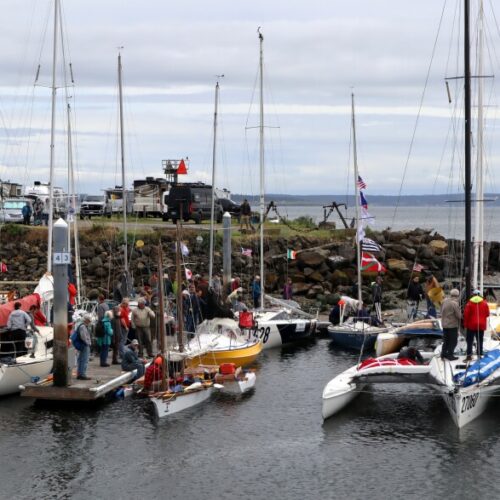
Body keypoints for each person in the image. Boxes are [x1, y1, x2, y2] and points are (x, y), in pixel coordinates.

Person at [463, 289, 490, 361]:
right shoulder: (484, 303)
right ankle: (479, 354)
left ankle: (469, 356)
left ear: (473, 295)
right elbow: (487, 314)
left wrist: (465, 325)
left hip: (471, 325)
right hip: (481, 325)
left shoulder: (469, 303)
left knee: (469, 341)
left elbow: (466, 315)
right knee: (480, 340)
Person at [440, 289, 461, 361]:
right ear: (457, 295)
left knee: (446, 341)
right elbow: (459, 315)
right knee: (453, 341)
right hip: (452, 325)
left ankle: (443, 354)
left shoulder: (444, 301)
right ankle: (450, 355)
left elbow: (441, 310)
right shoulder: (455, 303)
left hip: (444, 324)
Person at [75, 314, 92, 380]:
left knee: (81, 359)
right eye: (89, 320)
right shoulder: (83, 326)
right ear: (86, 320)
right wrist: (88, 343)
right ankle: (82, 374)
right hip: (84, 345)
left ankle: (79, 373)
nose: (90, 322)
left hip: (82, 344)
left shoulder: (80, 325)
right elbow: (83, 337)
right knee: (84, 360)